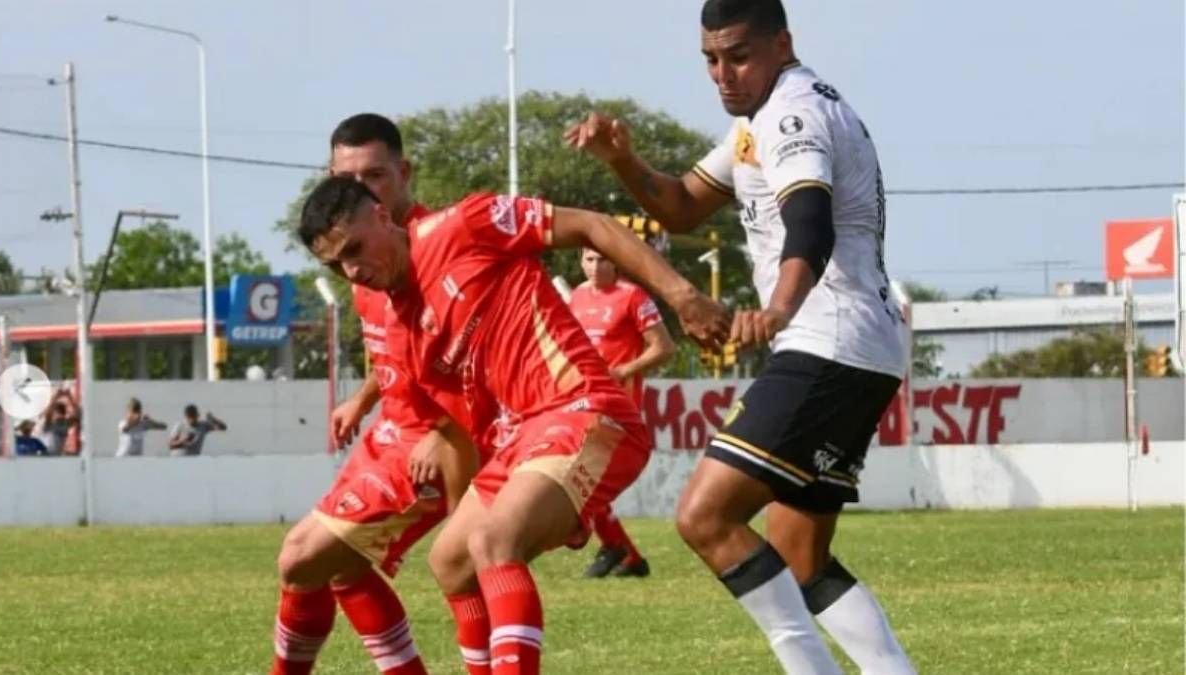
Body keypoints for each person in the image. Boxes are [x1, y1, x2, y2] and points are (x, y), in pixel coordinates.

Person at [564, 1, 915, 672]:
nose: (723, 73)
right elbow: (681, 204)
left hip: (826, 339)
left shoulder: (791, 116)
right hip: (858, 345)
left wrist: (779, 310)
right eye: (710, 59)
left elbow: (810, 224)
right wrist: (623, 160)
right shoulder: (757, 123)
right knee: (800, 554)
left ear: (782, 43)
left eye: (738, 55)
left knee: (704, 515)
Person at [297, 175, 728, 674]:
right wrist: (481, 500)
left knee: (492, 541)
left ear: (383, 216)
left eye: (354, 248)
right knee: (451, 560)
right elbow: (466, 432)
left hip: (585, 407)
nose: (353, 270)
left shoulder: (462, 225)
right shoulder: (405, 331)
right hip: (523, 441)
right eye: (336, 264)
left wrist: (683, 296)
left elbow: (593, 224)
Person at [269, 113, 480, 675]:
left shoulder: (439, 246)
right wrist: (363, 399)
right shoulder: (355, 253)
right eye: (346, 177)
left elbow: (477, 361)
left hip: (433, 441)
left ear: (403, 173)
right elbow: (402, 352)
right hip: (389, 431)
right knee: (340, 567)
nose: (359, 190)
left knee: (301, 558)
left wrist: (443, 434)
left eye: (375, 176)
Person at [568, 247, 675, 578]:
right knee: (580, 476)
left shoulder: (632, 296)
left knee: (584, 477)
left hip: (618, 404)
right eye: (588, 259)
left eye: (603, 259)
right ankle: (625, 553)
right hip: (582, 400)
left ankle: (616, 547)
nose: (596, 266)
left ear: (616, 261)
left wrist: (625, 369)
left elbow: (665, 347)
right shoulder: (577, 296)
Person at [40, 388, 79, 456]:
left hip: (57, 456)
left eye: (62, 412)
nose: (60, 415)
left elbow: (78, 416)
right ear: (54, 414)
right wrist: (56, 396)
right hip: (45, 455)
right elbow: (48, 413)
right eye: (58, 412)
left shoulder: (65, 424)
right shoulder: (49, 424)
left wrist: (69, 397)